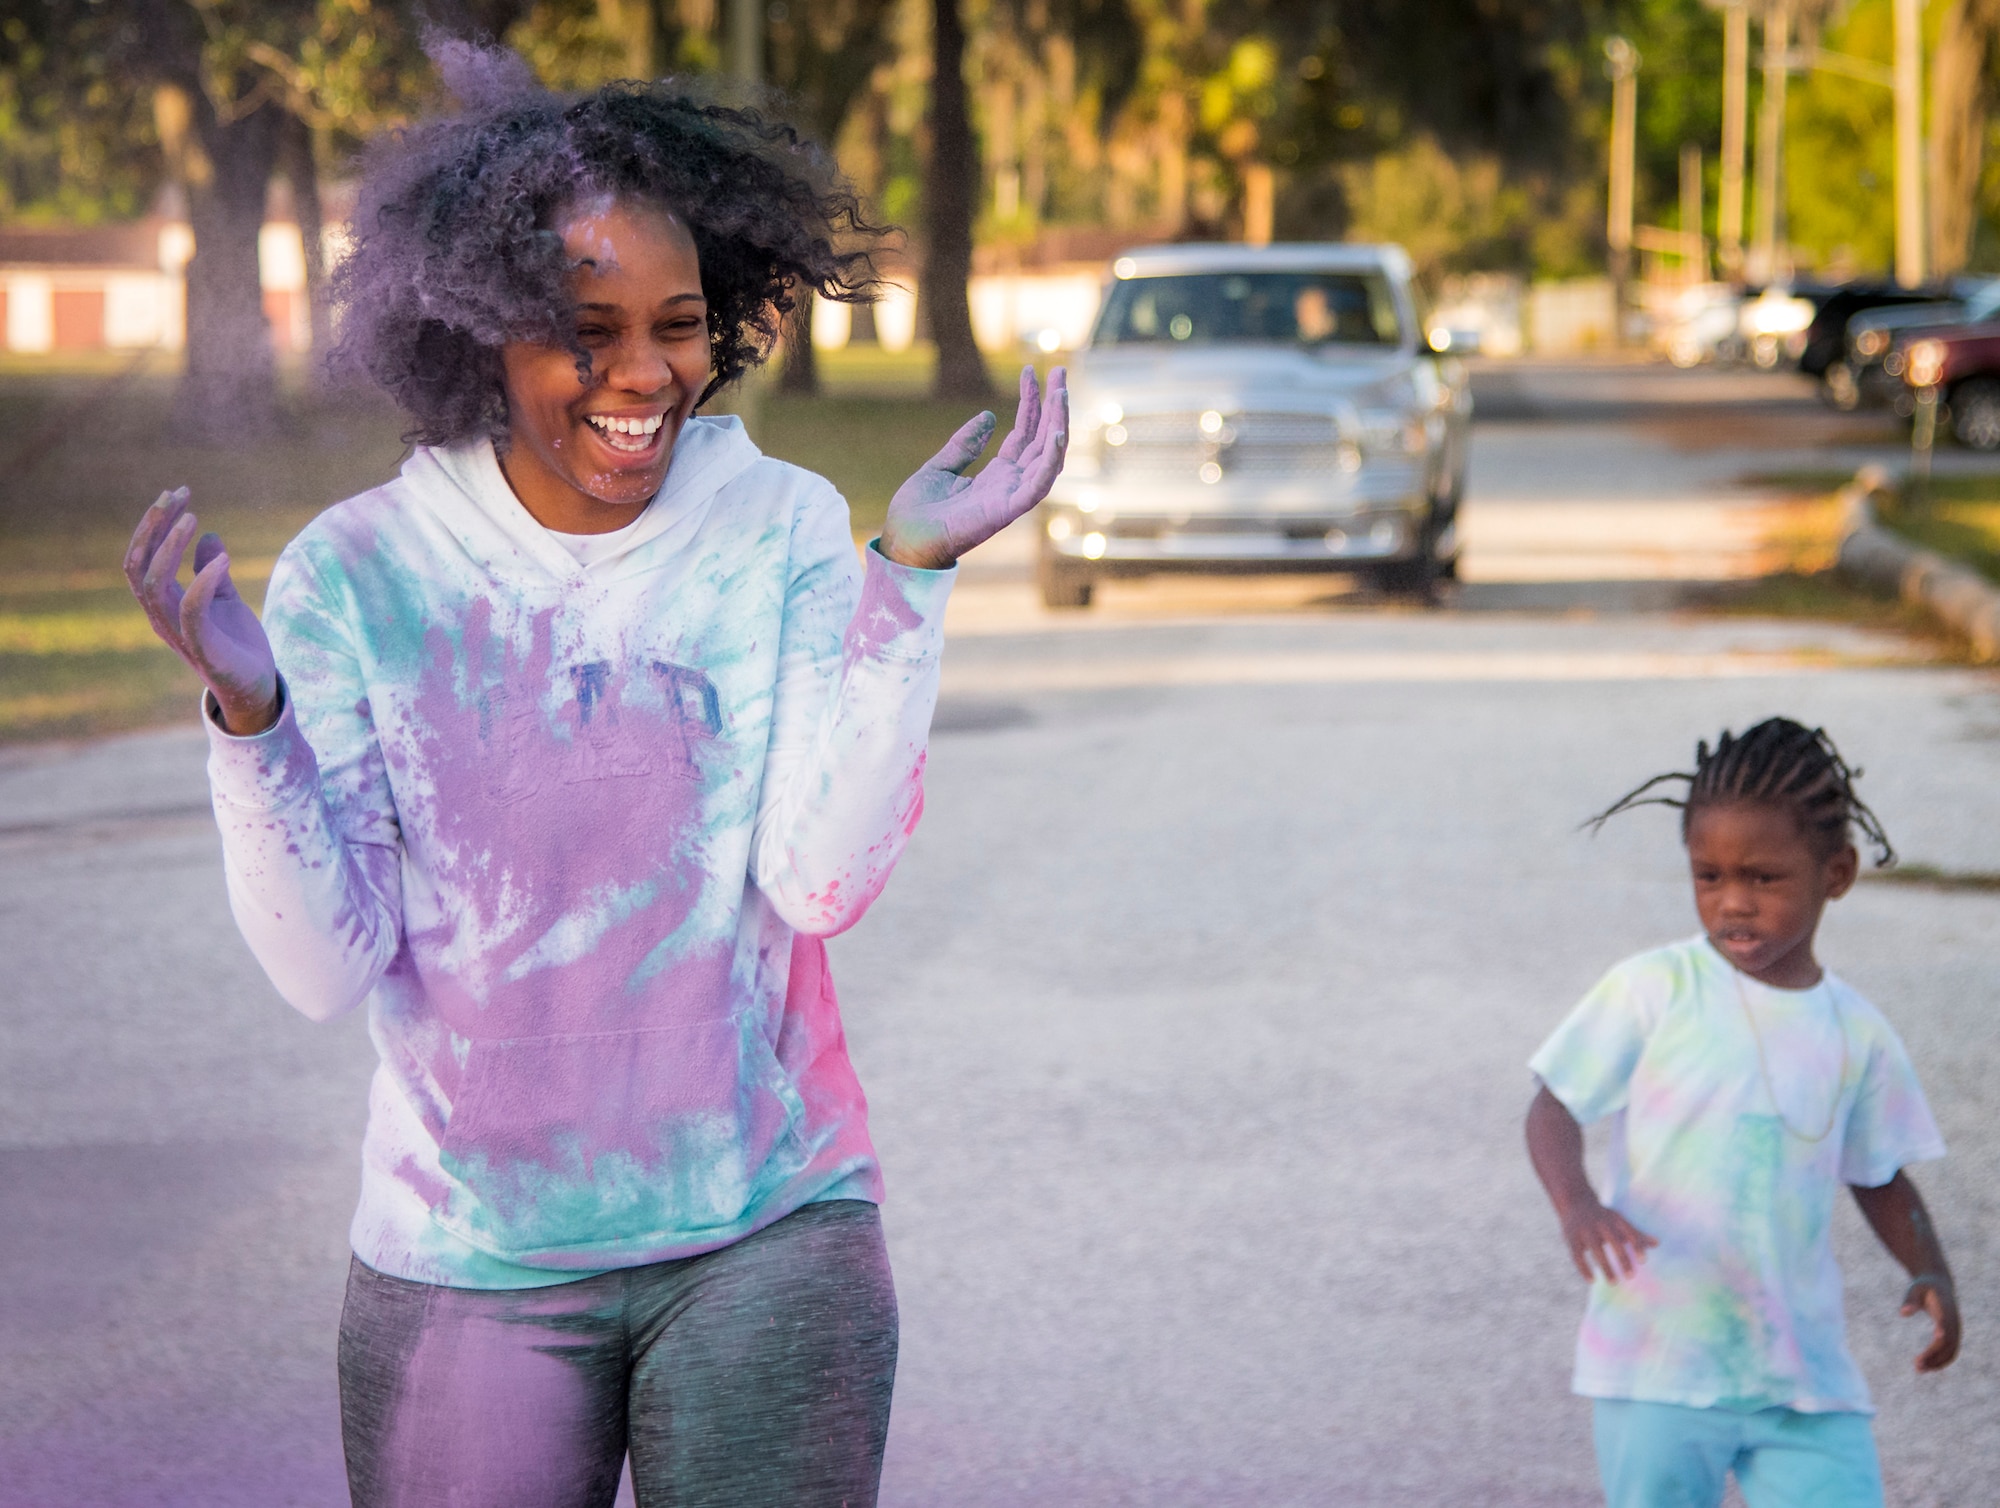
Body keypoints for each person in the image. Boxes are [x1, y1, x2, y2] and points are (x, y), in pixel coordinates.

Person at [122, 44, 1066, 1508]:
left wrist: (911, 583)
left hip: (770, 1226)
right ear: (481, 331)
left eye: (679, 328)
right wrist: (251, 721)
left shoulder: (782, 530)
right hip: (469, 1261)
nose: (646, 376)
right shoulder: (358, 580)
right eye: (589, 331)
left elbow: (822, 880)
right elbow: (323, 968)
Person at [1524, 718, 1959, 1508]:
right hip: (1657, 1363)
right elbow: (1553, 1103)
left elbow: (1879, 1172)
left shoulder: (1856, 1032)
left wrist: (1929, 1269)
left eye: (1763, 878)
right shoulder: (1656, 989)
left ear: (1837, 873)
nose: (1732, 902)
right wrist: (1577, 1204)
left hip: (1800, 1375)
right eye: (1708, 876)